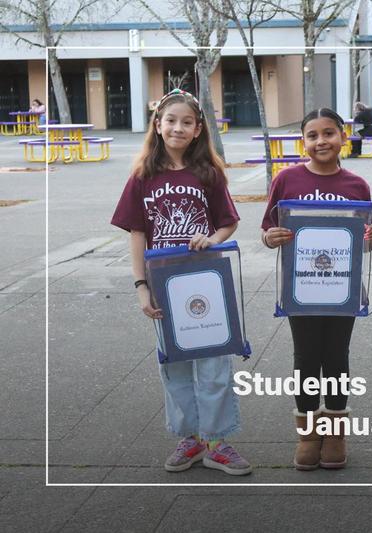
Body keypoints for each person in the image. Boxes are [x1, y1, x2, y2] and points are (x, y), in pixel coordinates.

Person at [110, 88, 252, 476]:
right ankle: (190, 438)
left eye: (186, 122)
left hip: (206, 281)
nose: (178, 128)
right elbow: (137, 233)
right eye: (170, 120)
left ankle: (217, 442)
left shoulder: (209, 173)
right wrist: (141, 286)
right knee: (175, 364)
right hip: (163, 283)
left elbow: (228, 222)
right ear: (157, 125)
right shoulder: (143, 176)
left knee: (214, 363)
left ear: (197, 129)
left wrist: (213, 239)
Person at [261, 108, 372, 471]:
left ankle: (335, 434)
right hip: (301, 287)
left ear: (343, 137)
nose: (321, 141)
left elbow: (364, 241)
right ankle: (307, 433)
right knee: (305, 358)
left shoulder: (356, 185)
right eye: (312, 135)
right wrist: (270, 238)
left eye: (329, 133)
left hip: (342, 287)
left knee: (335, 357)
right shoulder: (286, 181)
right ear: (303, 142)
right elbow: (268, 229)